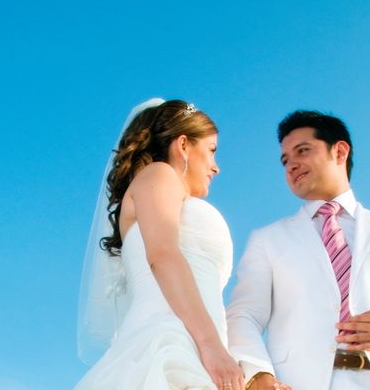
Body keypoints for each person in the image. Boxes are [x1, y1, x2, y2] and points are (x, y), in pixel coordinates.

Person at [226, 110, 370, 390]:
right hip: (299, 383)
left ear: (340, 151)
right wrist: (257, 375)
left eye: (302, 151)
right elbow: (243, 315)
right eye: (285, 160)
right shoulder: (267, 240)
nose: (291, 165)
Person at [75, 98, 244, 390]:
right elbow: (163, 255)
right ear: (182, 145)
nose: (216, 168)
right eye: (212, 151)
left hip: (203, 349)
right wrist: (211, 347)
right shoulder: (158, 174)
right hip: (171, 344)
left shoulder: (168, 191)